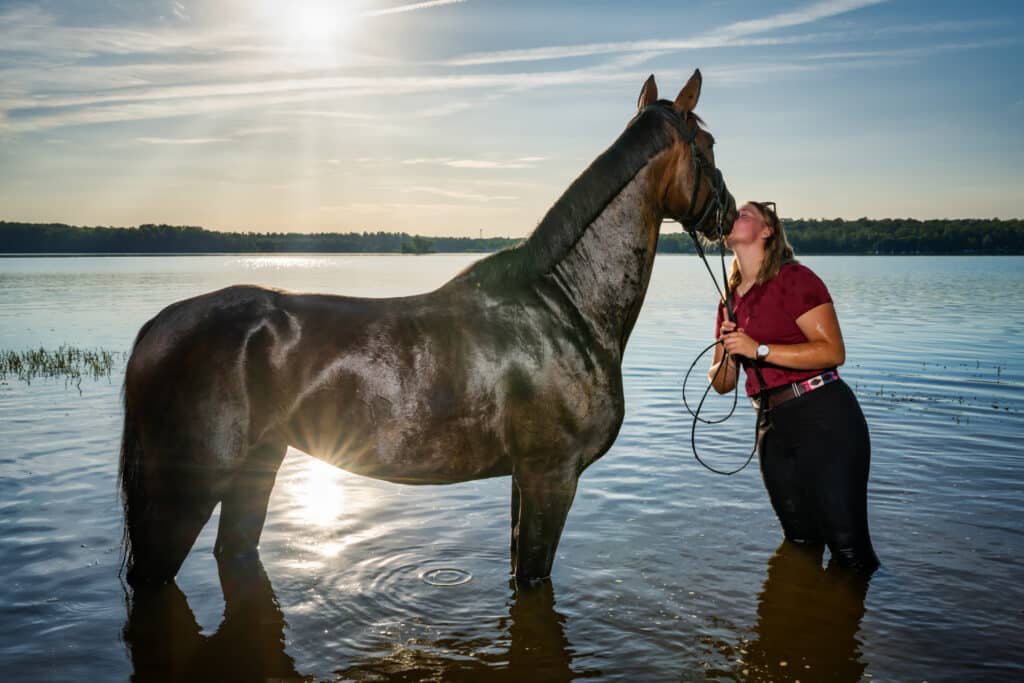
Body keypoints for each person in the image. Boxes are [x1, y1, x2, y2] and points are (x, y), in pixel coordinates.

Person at [708, 201, 879, 573]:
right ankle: (800, 621)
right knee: (799, 542)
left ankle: (859, 627)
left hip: (823, 417)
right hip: (771, 427)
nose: (734, 217)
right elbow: (722, 385)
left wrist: (759, 349)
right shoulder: (729, 301)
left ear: (767, 231)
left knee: (850, 553)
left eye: (745, 214)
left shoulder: (795, 279)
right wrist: (729, 352)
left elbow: (833, 351)